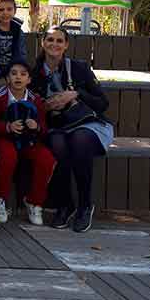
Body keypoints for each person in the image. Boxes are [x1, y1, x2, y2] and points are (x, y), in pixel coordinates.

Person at [31, 26, 113, 233]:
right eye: (50, 40)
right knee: (59, 144)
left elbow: (102, 103)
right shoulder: (34, 73)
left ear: (66, 45)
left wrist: (75, 94)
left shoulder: (79, 68)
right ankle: (65, 204)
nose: (54, 44)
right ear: (43, 43)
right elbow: (31, 109)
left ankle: (85, 204)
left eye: (59, 41)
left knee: (80, 140)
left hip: (88, 124)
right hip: (56, 126)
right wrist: (47, 106)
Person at [0, 61, 55, 225]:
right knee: (8, 157)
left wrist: (36, 126)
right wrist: (7, 127)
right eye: (14, 73)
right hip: (5, 138)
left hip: (29, 140)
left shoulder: (35, 99)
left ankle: (34, 201)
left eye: (23, 74)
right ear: (7, 78)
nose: (18, 77)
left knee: (47, 159)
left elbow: (44, 128)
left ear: (29, 80)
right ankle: (0, 200)